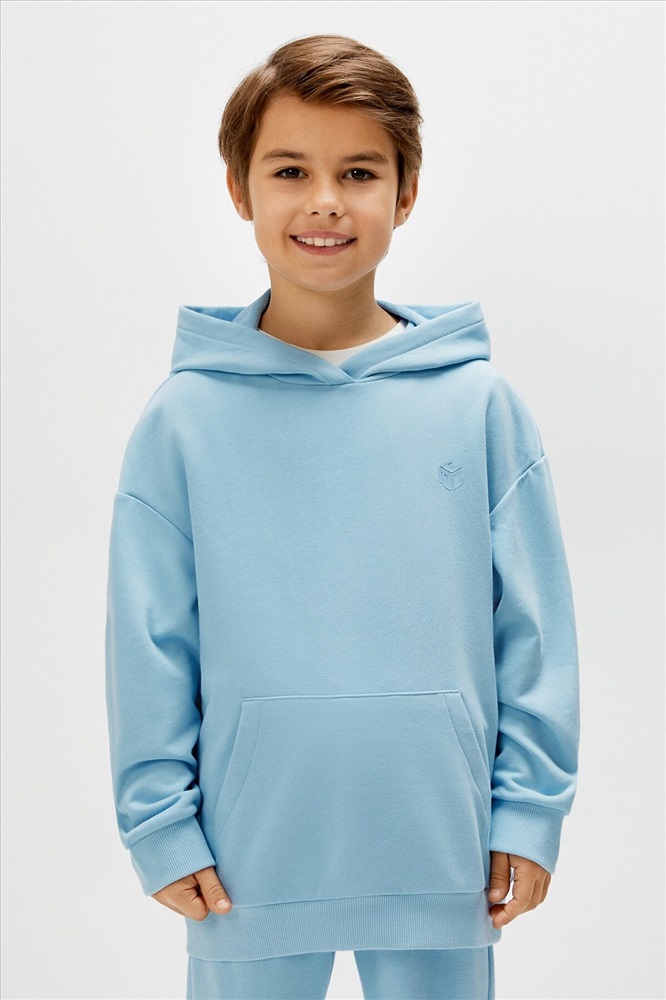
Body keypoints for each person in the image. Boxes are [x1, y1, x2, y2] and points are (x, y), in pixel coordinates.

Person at [104, 33, 580, 1000]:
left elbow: (535, 632)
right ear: (239, 189)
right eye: (290, 170)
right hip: (246, 859)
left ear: (406, 194)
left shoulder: (480, 406)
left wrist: (529, 813)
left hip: (443, 850)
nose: (324, 200)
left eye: (358, 172)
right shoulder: (183, 420)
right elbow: (148, 643)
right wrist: (159, 825)